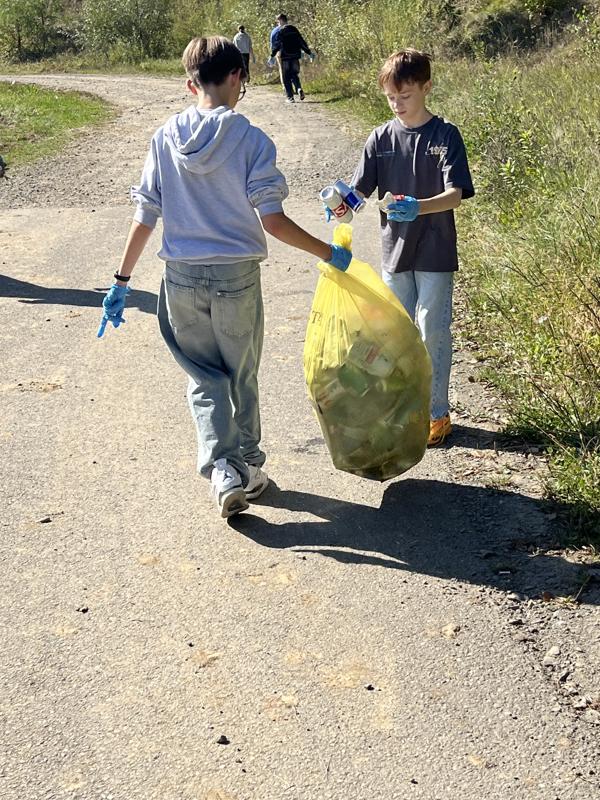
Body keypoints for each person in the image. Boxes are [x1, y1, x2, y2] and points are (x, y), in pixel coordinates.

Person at [97, 36, 352, 518]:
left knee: (203, 376)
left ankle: (222, 468)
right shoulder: (252, 140)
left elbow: (145, 214)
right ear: (237, 76)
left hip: (180, 278)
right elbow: (272, 221)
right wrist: (329, 253)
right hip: (236, 277)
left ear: (190, 84)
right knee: (241, 374)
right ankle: (246, 466)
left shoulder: (164, 138)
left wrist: (121, 281)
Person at [350, 49, 474, 446]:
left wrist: (418, 207)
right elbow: (359, 190)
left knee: (431, 331)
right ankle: (405, 410)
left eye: (404, 96)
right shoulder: (380, 138)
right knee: (397, 336)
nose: (397, 104)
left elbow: (455, 194)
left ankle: (436, 413)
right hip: (395, 252)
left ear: (426, 87)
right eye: (391, 97)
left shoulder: (446, 135)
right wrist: (340, 203)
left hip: (435, 250)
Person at [269, 13, 313, 103]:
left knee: (286, 77)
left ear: (281, 21)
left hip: (285, 57)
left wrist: (272, 55)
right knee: (294, 74)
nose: (278, 24)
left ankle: (290, 97)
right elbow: (301, 42)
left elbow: (277, 45)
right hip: (295, 56)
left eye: (278, 22)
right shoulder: (294, 29)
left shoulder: (281, 31)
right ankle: (299, 88)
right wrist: (309, 52)